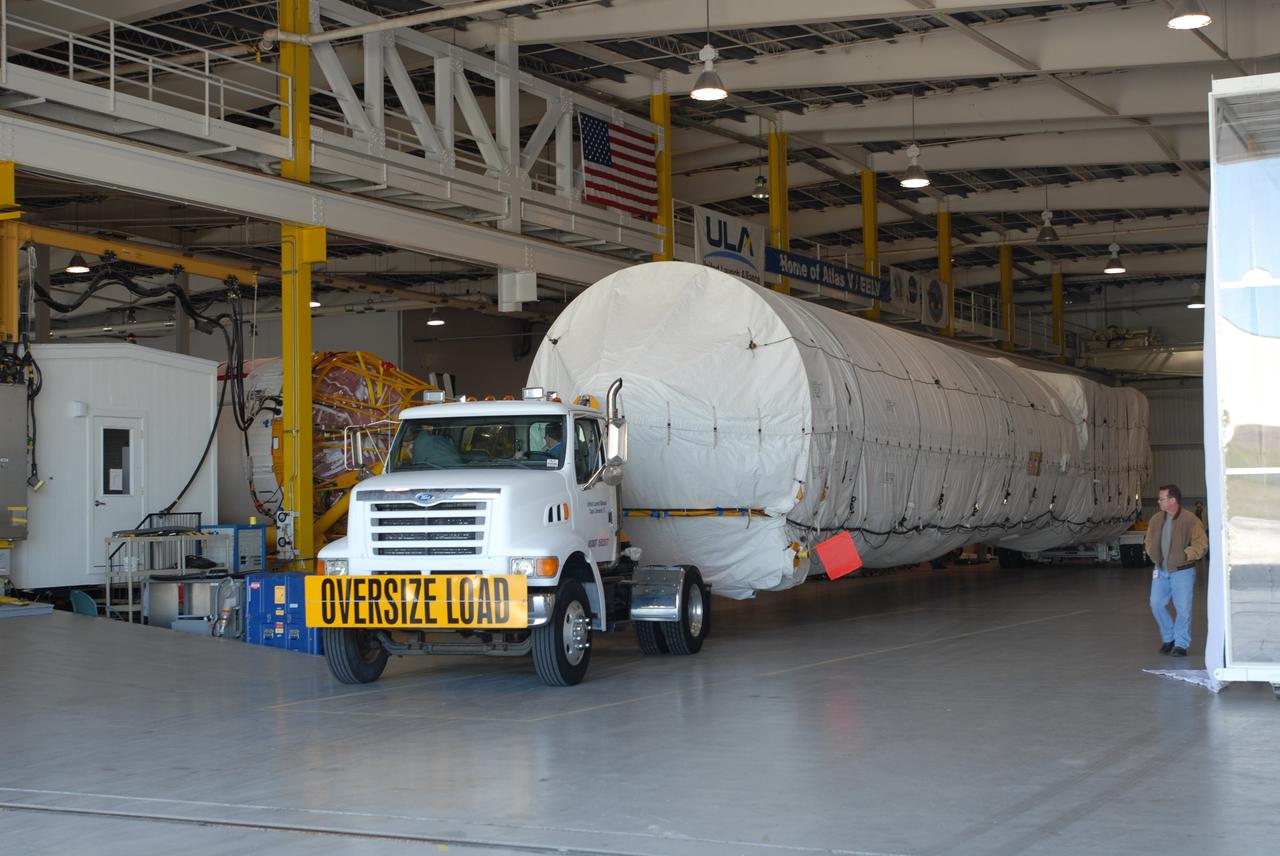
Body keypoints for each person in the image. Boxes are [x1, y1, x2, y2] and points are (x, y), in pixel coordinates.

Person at [1144, 484, 1209, 657]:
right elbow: (1149, 540)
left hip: (1183, 571)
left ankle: (1181, 644)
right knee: (1156, 604)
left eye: (1162, 498)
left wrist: (1185, 555)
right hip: (1161, 571)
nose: (1158, 501)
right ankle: (1169, 638)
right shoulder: (1156, 519)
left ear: (1173, 500)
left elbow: (1201, 545)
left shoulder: (1191, 520)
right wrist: (1153, 554)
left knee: (1183, 609)